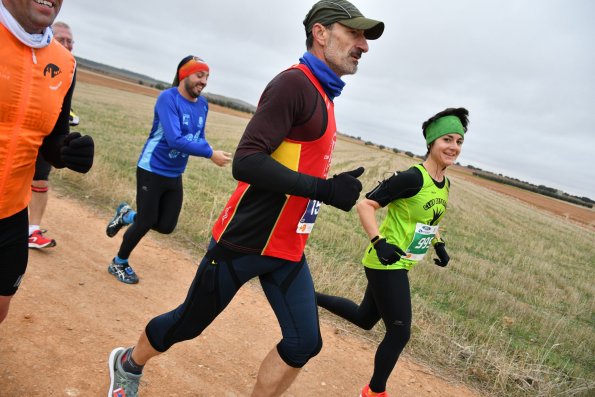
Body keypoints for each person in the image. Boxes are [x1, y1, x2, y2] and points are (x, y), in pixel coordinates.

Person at [106, 1, 384, 395]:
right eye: (354, 34)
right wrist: (324, 189)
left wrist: (330, 185)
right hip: (245, 240)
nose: (364, 46)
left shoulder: (324, 93)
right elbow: (247, 161)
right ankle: (128, 362)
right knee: (189, 323)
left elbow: (295, 162)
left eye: (364, 38)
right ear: (321, 33)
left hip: (288, 246)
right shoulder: (294, 84)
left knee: (305, 342)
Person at [316, 107, 469, 397]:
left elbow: (430, 219)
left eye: (459, 142)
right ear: (432, 143)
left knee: (364, 318)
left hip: (402, 262)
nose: (454, 147)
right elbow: (365, 205)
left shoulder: (444, 184)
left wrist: (439, 244)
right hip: (385, 261)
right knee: (399, 331)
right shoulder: (412, 178)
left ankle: (307, 298)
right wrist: (379, 242)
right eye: (447, 140)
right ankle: (374, 392)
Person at [0, 0, 94, 325]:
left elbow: (53, 136)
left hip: (12, 211)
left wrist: (66, 151)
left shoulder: (65, 63)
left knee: (1, 305)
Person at [104, 55, 232, 284]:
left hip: (174, 172)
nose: (203, 81)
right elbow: (175, 139)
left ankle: (127, 215)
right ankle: (119, 262)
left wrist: (210, 148)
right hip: (152, 168)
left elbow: (197, 137)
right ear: (184, 75)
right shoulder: (168, 98)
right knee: (145, 221)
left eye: (207, 77)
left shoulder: (203, 105)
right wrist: (210, 154)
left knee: (165, 225)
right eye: (199, 75)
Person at [28, 20, 78, 249]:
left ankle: (32, 230)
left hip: (44, 135)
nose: (67, 45)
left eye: (70, 41)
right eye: (62, 40)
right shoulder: (31, 58)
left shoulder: (68, 68)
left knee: (40, 178)